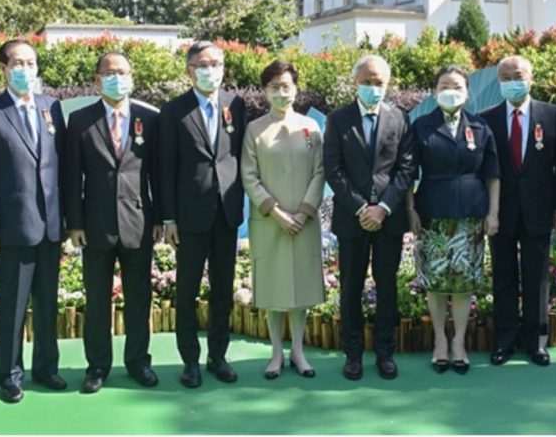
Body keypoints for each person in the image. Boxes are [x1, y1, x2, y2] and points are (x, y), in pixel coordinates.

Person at [0, 39, 68, 403]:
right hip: (12, 228)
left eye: (31, 62)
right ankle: (10, 375)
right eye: (18, 63)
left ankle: (47, 367)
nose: (26, 69)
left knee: (47, 302)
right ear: (3, 68)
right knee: (12, 305)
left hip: (50, 225)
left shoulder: (51, 108)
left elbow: (58, 165)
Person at [63, 52, 161, 393]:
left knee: (139, 299)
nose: (116, 78)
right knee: (97, 301)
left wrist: (161, 217)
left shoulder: (150, 118)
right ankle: (97, 366)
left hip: (138, 221)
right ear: (96, 79)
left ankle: (138, 362)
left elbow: (158, 174)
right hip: (95, 225)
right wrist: (73, 223)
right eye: (109, 73)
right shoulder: (80, 121)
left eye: (122, 72)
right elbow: (71, 176)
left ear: (132, 76)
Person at [159, 41, 247, 388]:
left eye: (218, 63)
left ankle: (218, 356)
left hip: (226, 212)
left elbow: (238, 154)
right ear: (189, 70)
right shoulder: (174, 110)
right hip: (190, 215)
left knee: (223, 290)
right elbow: (164, 168)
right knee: (187, 292)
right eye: (204, 64)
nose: (212, 70)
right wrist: (169, 218)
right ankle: (190, 361)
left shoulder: (235, 105)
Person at [323, 54, 414, 381]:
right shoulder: (338, 119)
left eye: (379, 83)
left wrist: (384, 208)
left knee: (387, 286)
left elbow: (405, 169)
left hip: (389, 219)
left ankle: (385, 352)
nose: (373, 88)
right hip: (352, 218)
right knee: (351, 288)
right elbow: (333, 169)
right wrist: (362, 207)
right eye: (367, 82)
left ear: (387, 85)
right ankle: (353, 354)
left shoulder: (399, 119)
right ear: (354, 83)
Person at [481, 55, 556, 368]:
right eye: (505, 77)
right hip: (501, 210)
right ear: (499, 83)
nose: (512, 82)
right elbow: (483, 169)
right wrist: (485, 210)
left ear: (531, 77)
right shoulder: (486, 118)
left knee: (537, 278)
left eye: (517, 75)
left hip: (539, 208)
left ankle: (537, 342)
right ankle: (504, 341)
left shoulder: (551, 114)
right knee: (503, 277)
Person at [408, 65, 500, 374]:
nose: (451, 90)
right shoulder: (421, 126)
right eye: (445, 85)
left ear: (467, 92)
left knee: (463, 283)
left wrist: (493, 213)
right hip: (432, 214)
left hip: (471, 215)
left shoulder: (480, 126)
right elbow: (408, 174)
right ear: (434, 91)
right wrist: (410, 209)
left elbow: (492, 174)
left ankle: (458, 341)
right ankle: (439, 341)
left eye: (457, 85)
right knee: (435, 282)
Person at [241, 61, 325, 380]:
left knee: (300, 288)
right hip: (270, 221)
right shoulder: (255, 130)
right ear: (265, 91)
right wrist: (275, 212)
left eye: (286, 85)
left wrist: (303, 212)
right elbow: (249, 176)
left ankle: (299, 351)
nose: (281, 92)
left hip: (305, 221)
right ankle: (276, 352)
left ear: (296, 88)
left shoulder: (311, 128)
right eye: (274, 86)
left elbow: (320, 172)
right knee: (274, 289)